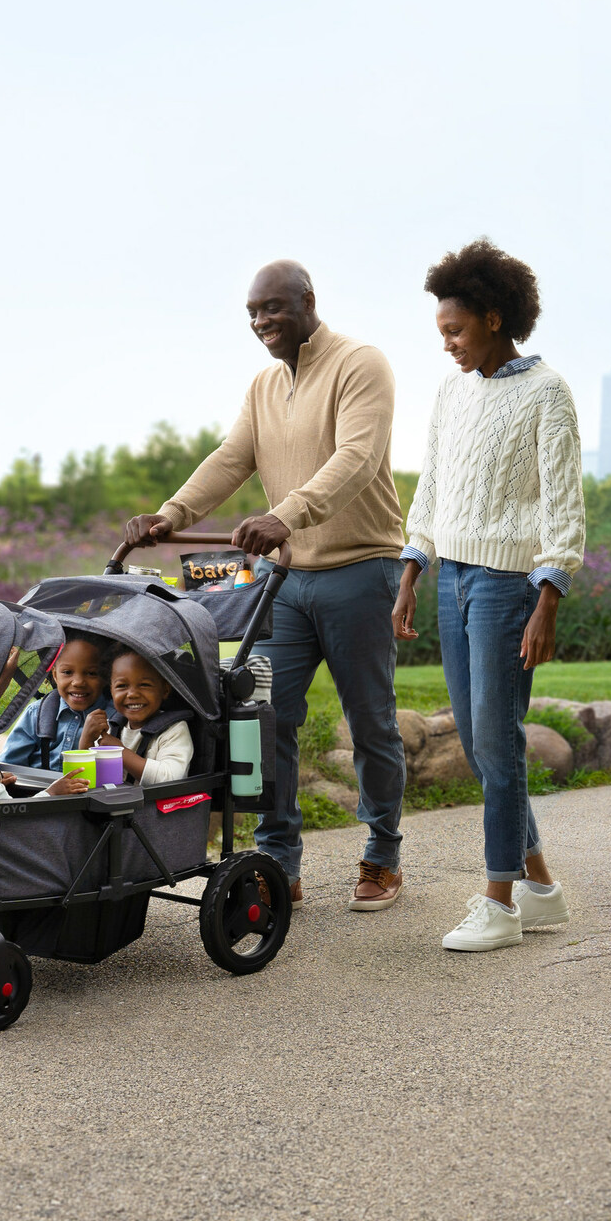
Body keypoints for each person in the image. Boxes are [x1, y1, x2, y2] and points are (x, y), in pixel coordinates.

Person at [124, 261, 407, 908]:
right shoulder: (262, 386)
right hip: (285, 582)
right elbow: (231, 459)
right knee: (263, 717)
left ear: (309, 301)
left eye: (272, 309)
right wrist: (170, 515)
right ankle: (280, 859)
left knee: (372, 722)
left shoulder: (361, 364)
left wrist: (288, 513)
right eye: (252, 313)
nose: (260, 323)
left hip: (361, 571)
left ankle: (382, 855)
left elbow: (356, 459)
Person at [391, 238, 583, 952]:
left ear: (495, 319)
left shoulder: (546, 392)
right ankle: (540, 888)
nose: (448, 345)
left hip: (509, 588)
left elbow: (564, 504)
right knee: (480, 744)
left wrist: (548, 596)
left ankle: (499, 901)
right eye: (442, 333)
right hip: (455, 580)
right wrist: (413, 570)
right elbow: (434, 485)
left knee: (498, 749)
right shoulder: (450, 392)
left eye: (456, 331)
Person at [45, 647, 195, 792]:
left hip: (153, 814)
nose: (132, 694)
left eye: (144, 685)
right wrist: (86, 741)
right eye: (122, 686)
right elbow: (82, 780)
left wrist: (120, 751)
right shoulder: (114, 726)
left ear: (165, 689)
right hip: (111, 811)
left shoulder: (174, 730)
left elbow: (169, 779)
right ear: (111, 690)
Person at [0, 636, 114, 794]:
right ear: (55, 675)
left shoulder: (113, 718)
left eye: (91, 673)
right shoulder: (37, 714)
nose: (78, 682)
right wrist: (3, 778)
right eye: (67, 672)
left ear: (105, 677)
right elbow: (8, 766)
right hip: (39, 800)